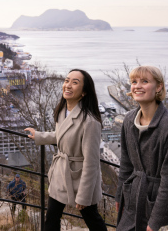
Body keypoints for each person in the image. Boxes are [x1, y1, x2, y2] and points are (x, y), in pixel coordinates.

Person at [25, 69, 107, 231]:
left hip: (80, 177)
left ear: (84, 92)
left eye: (75, 82)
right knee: (51, 219)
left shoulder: (90, 122)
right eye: (67, 80)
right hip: (60, 174)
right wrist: (40, 136)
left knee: (93, 221)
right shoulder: (63, 111)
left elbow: (91, 163)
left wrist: (83, 196)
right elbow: (62, 135)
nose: (68, 85)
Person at [115, 66, 168, 231]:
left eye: (145, 81)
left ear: (159, 86)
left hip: (161, 206)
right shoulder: (128, 120)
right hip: (133, 199)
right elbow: (126, 163)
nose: (137, 86)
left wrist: (155, 223)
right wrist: (120, 194)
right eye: (134, 82)